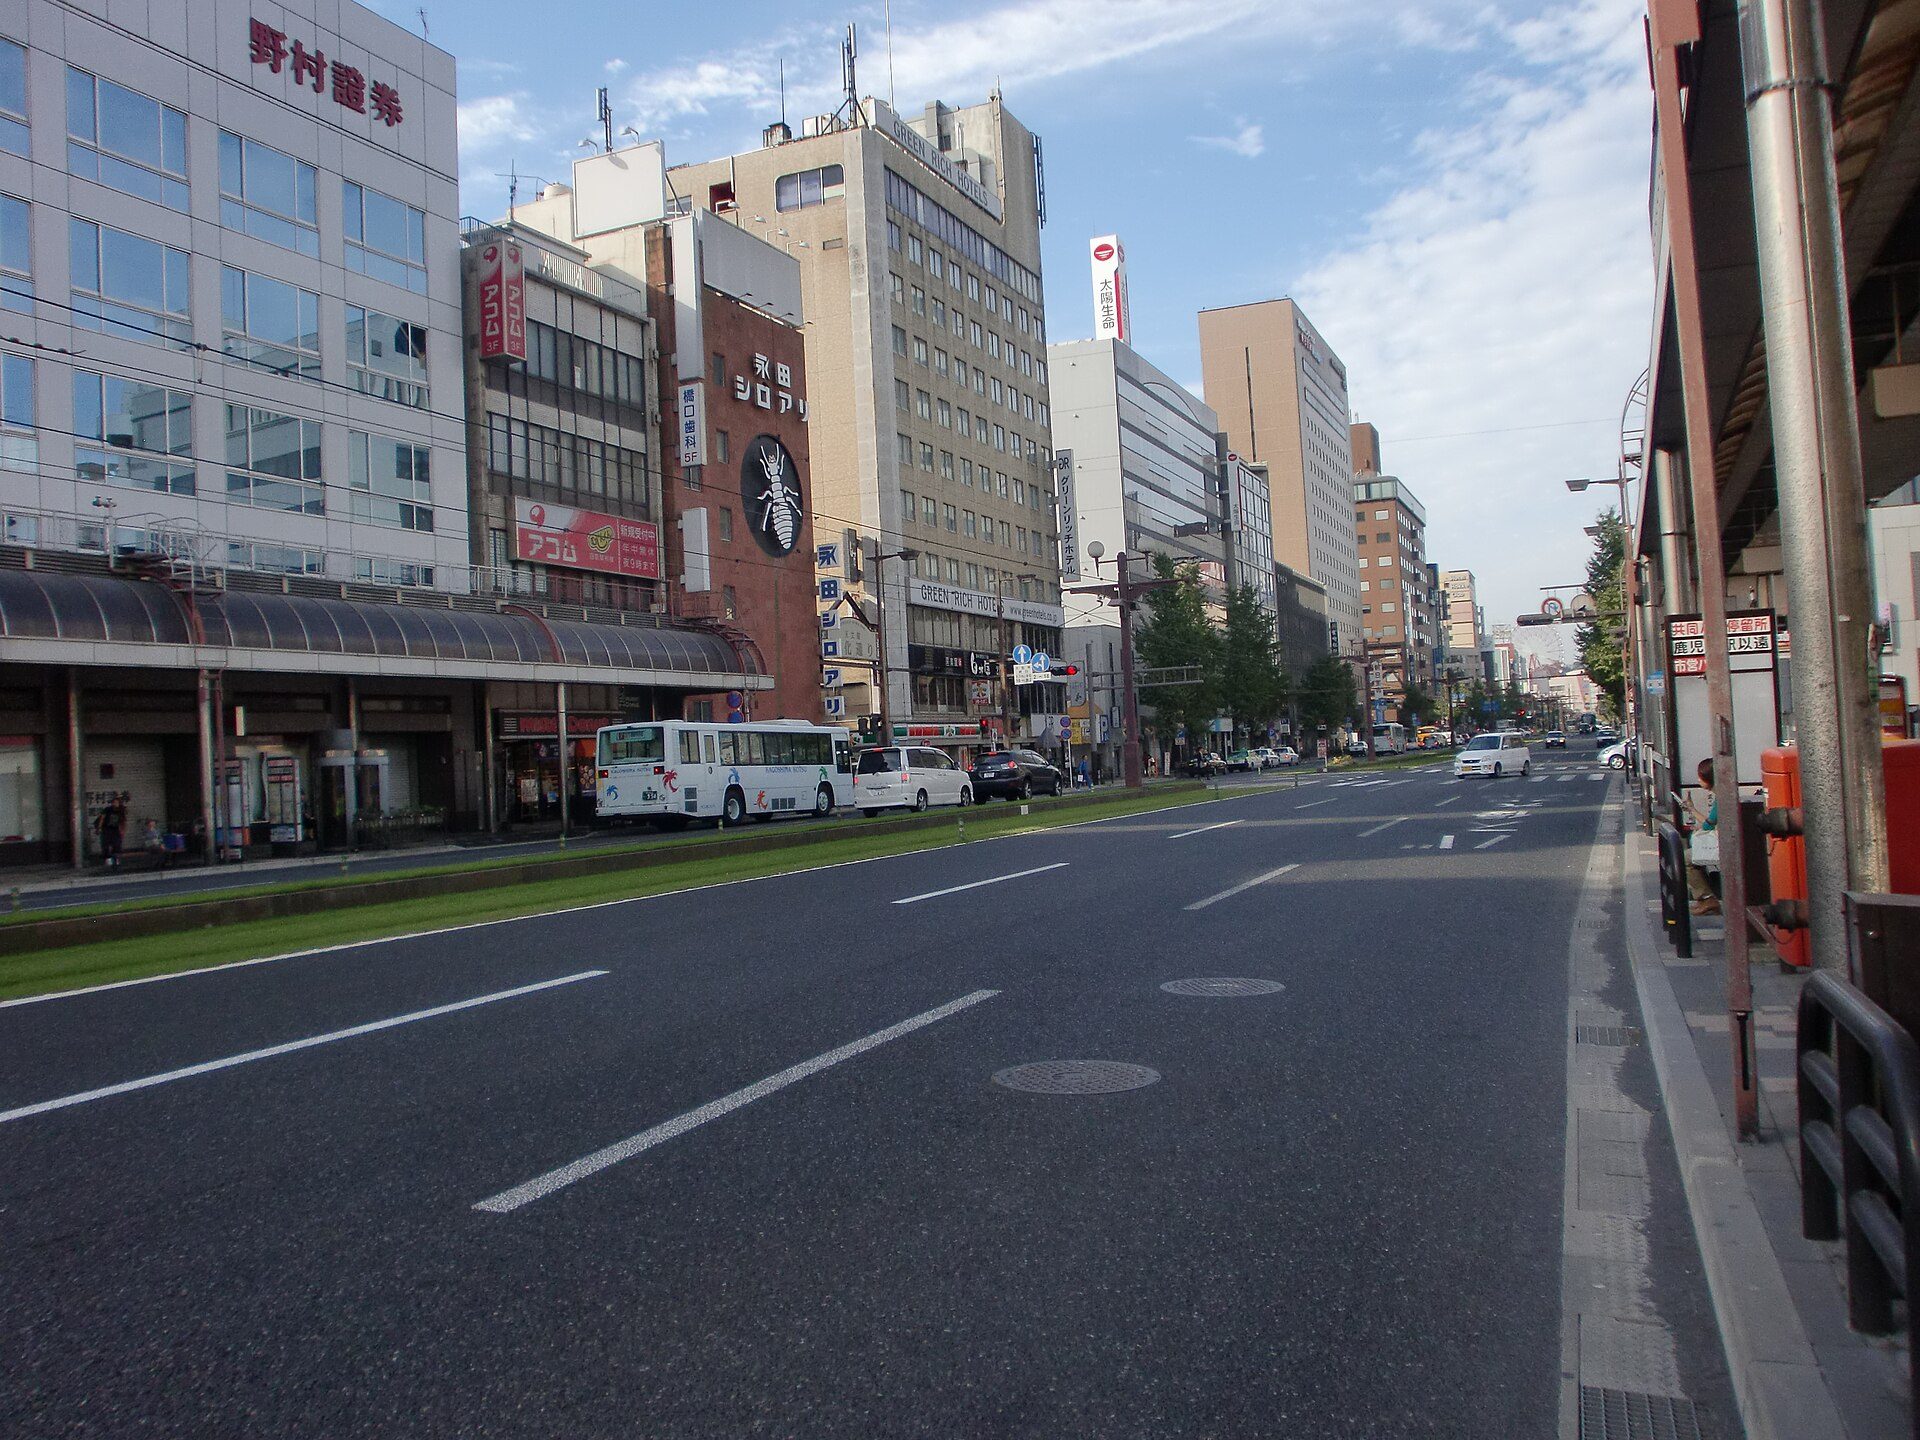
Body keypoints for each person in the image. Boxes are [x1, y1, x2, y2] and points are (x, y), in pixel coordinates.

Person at [1685, 758, 1720, 915]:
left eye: (1700, 777)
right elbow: (1709, 823)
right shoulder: (1722, 794)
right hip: (1723, 841)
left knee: (1685, 859)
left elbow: (1708, 825)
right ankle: (1705, 898)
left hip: (1722, 846)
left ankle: (1706, 898)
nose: (1698, 780)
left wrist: (1698, 829)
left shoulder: (1721, 798)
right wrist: (1691, 809)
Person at [95, 795, 125, 869]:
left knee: (117, 844)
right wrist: (99, 828)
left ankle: (116, 861)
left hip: (115, 830)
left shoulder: (121, 811)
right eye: (114, 802)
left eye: (117, 802)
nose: (115, 804)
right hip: (106, 829)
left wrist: (122, 831)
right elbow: (102, 818)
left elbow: (123, 822)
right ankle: (108, 861)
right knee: (106, 845)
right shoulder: (107, 809)